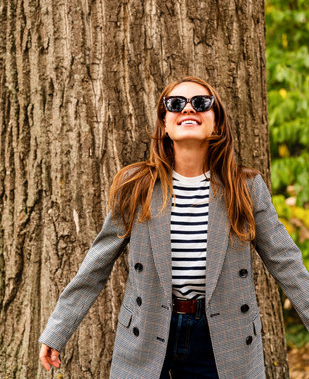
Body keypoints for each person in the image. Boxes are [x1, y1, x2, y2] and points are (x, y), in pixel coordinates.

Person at [39, 76, 309, 378]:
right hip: (148, 329)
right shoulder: (137, 187)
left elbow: (286, 261)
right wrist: (57, 330)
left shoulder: (245, 187)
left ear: (216, 124)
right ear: (164, 124)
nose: (189, 109)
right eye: (176, 104)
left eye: (202, 103)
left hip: (223, 337)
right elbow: (96, 264)